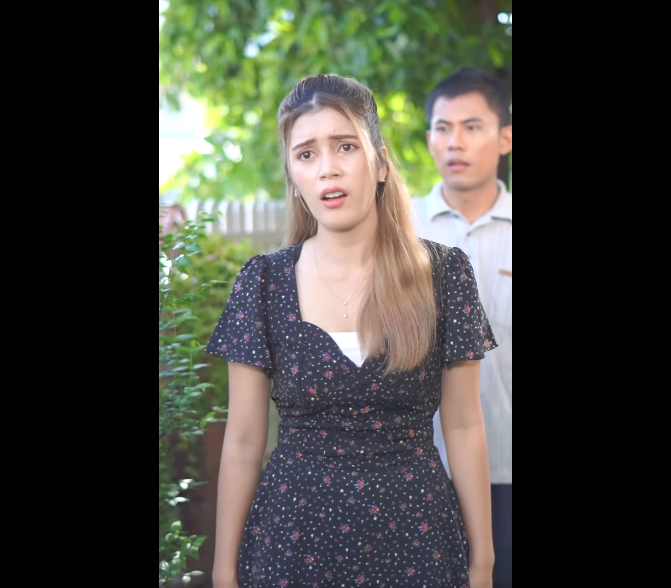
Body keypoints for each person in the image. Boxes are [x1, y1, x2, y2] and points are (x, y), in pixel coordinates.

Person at [207, 73, 498, 588]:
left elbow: (463, 426)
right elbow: (244, 441)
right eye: (306, 154)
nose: (328, 168)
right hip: (291, 545)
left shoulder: (444, 274)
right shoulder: (263, 282)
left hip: (418, 542)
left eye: (345, 146)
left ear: (380, 162)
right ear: (293, 174)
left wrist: (483, 561)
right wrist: (223, 570)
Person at [411, 67, 513, 588]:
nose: (455, 142)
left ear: (505, 138)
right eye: (442, 127)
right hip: (418, 471)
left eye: (472, 127)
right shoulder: (397, 234)